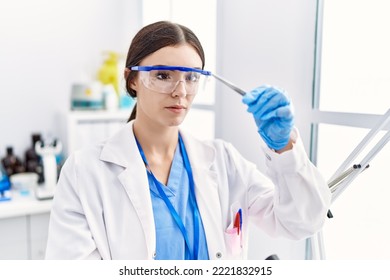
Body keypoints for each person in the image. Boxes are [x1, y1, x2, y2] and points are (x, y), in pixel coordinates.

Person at [45, 21, 331, 260]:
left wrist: (283, 147)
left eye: (192, 77)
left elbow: (300, 222)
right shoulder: (85, 171)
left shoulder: (222, 161)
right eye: (163, 76)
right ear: (132, 79)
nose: (180, 91)